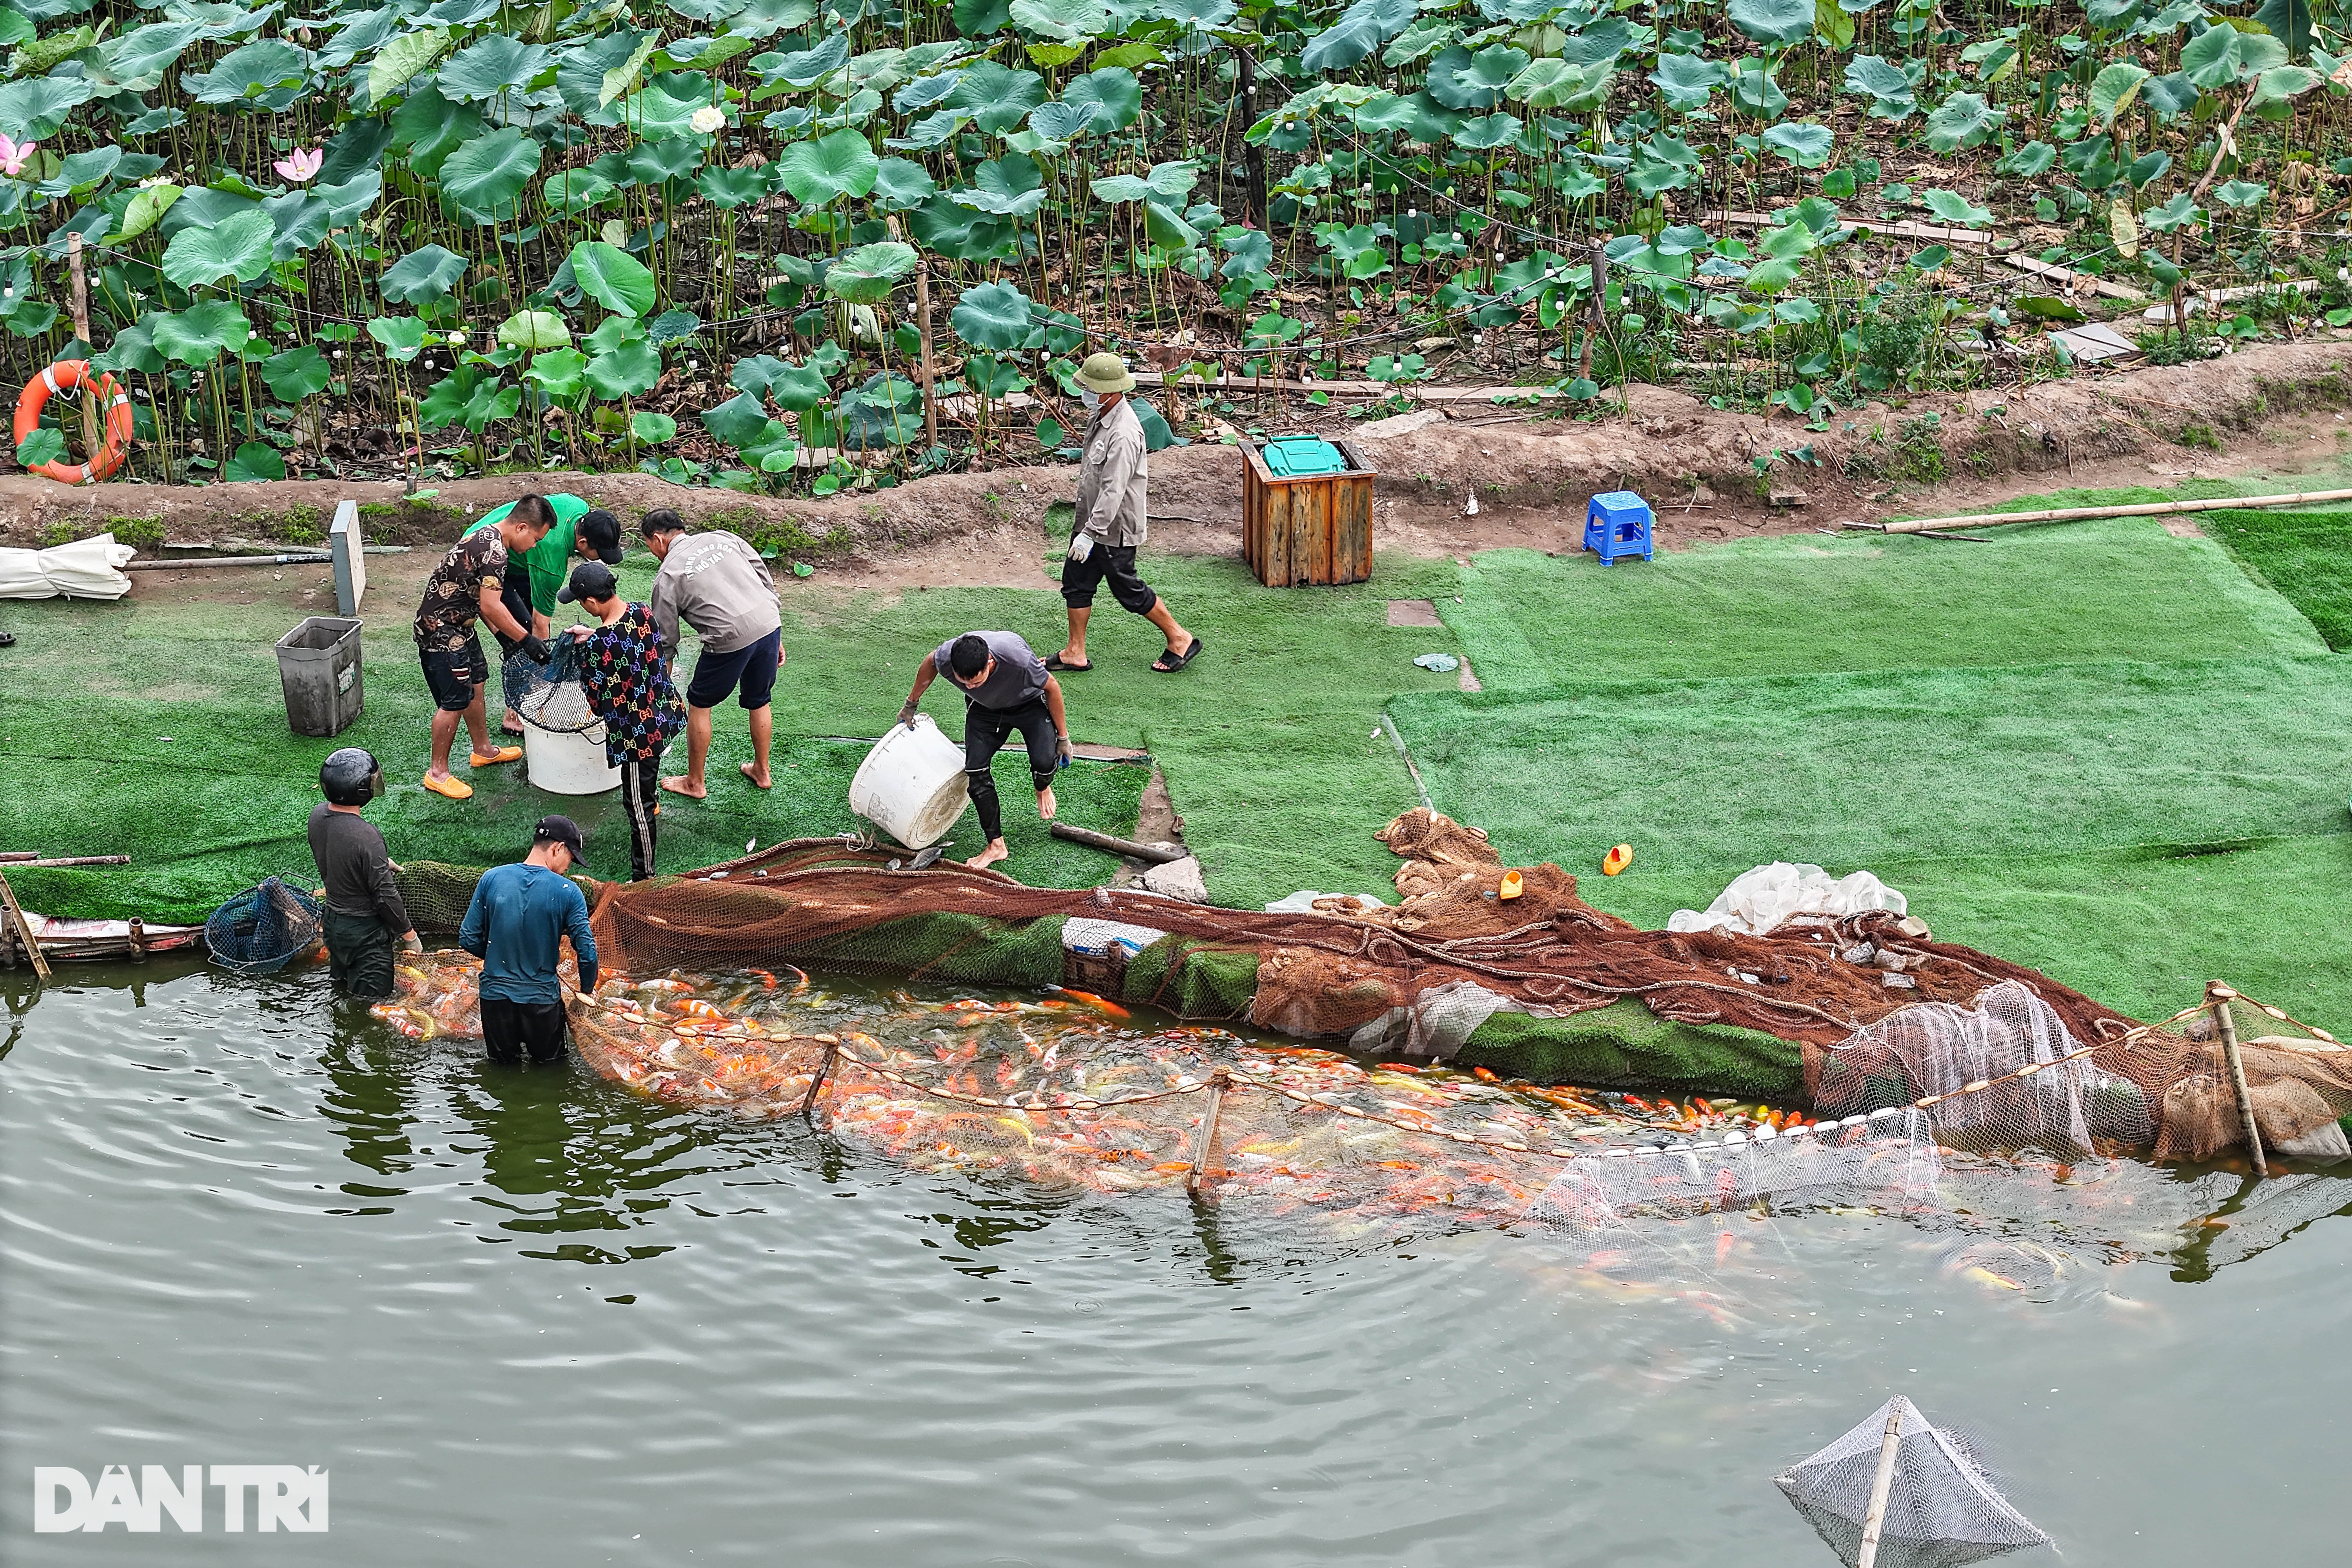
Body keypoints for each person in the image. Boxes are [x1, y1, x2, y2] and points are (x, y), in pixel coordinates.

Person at [1051, 352, 1201, 676]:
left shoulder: (1123, 432)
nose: (1084, 392)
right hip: (1092, 522)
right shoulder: (1102, 414)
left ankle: (1180, 639)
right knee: (1076, 581)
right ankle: (1075, 652)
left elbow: (1114, 490)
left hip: (1113, 528)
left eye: (1089, 388)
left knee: (1128, 590)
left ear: (1109, 391)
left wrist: (1090, 535)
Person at [642, 509, 786, 798]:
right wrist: (775, 636)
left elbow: (666, 643)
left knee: (699, 704)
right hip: (770, 623)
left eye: (649, 546)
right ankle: (762, 770)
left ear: (658, 540)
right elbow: (763, 578)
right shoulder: (724, 538)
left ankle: (695, 782)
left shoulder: (669, 574)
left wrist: (657, 693)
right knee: (760, 700)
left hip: (729, 638)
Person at [899, 631, 1072, 870]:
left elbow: (1052, 687)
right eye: (964, 683)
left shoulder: (1018, 661)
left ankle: (1042, 786)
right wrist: (911, 704)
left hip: (1028, 704)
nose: (969, 686)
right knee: (976, 773)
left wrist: (1063, 738)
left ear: (990, 663)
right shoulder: (948, 656)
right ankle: (996, 846)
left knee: (1044, 763)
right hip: (985, 710)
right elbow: (931, 661)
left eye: (976, 683)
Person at [413, 504, 551, 800]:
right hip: (441, 631)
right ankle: (437, 773)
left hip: (461, 626)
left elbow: (480, 600)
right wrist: (527, 640)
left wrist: (508, 636)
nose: (533, 547)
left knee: (477, 681)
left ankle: (483, 751)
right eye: (536, 540)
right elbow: (492, 606)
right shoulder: (496, 552)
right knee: (454, 700)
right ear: (522, 528)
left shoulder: (486, 536)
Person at [561, 560, 686, 882]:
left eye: (580, 602)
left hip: (637, 738)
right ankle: (652, 802)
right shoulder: (642, 612)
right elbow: (623, 641)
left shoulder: (598, 646)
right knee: (647, 782)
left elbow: (596, 700)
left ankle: (644, 876)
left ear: (590, 602)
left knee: (637, 806)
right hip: (664, 714)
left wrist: (591, 644)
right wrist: (594, 636)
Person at [461, 494, 627, 735]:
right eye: (599, 553)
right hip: (483, 556)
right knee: (521, 639)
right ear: (581, 543)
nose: (601, 558)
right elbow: (540, 626)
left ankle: (523, 699)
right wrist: (544, 674)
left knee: (524, 631)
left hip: (519, 557)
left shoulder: (579, 507)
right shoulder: (551, 562)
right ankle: (516, 713)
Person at [457, 816, 600, 1066]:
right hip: (542, 1003)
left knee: (502, 1071)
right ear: (559, 848)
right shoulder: (568, 892)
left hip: (495, 1000)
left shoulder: (492, 878)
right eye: (572, 859)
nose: (570, 867)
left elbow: (468, 938)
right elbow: (587, 952)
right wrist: (586, 993)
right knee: (551, 1072)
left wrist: (498, 956)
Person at [307, 747, 420, 998]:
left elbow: (338, 854)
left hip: (334, 924)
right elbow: (385, 895)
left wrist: (377, 862)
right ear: (360, 789)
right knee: (371, 1005)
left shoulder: (317, 816)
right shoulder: (366, 836)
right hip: (364, 933)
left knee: (341, 989)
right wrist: (409, 935)